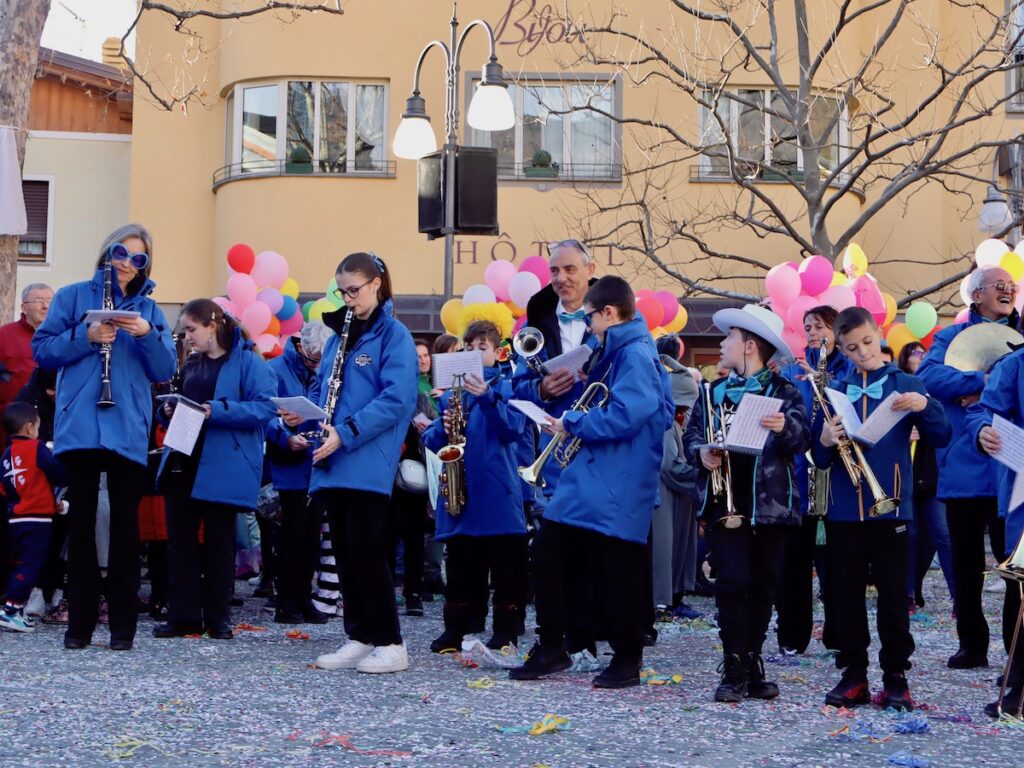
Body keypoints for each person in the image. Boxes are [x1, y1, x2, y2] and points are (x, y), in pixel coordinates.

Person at [510, 276, 673, 689]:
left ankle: (625, 659)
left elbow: (633, 412)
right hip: (598, 475)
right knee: (551, 555)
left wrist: (575, 421)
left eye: (591, 318)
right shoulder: (619, 353)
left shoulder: (634, 353)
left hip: (617, 477)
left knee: (616, 570)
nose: (588, 326)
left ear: (609, 313)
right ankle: (554, 646)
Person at [32, 224, 176, 651]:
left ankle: (122, 629)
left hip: (128, 430)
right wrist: (86, 336)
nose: (128, 264)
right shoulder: (73, 296)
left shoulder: (150, 310)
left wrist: (147, 336)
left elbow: (165, 369)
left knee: (126, 534)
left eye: (139, 258)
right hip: (80, 427)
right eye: (121, 253)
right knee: (80, 529)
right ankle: (78, 627)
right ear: (106, 253)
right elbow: (42, 351)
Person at [813, 306, 951, 711]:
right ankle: (853, 674)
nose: (862, 354)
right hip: (843, 513)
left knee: (894, 597)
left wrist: (925, 407)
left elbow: (942, 435)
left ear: (879, 334)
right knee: (845, 597)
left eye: (868, 343)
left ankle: (896, 677)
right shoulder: (834, 389)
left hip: (892, 510)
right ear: (842, 349)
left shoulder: (906, 381)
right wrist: (822, 438)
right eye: (852, 348)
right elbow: (819, 460)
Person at [293, 252, 417, 675]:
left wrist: (346, 431)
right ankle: (360, 635)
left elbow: (397, 398)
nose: (348, 298)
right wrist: (304, 412)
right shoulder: (339, 334)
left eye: (355, 290)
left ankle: (391, 642)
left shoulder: (393, 335)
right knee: (344, 551)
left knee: (366, 549)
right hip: (334, 457)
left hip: (365, 456)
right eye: (342, 290)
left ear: (376, 284)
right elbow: (325, 387)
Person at [682, 304, 810, 703]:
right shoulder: (712, 392)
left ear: (750, 346)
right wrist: (701, 451)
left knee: (763, 585)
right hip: (725, 503)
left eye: (729, 339)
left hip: (770, 506)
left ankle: (753, 661)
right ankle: (733, 662)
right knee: (732, 582)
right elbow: (691, 438)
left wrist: (784, 426)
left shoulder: (785, 392)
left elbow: (803, 441)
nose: (721, 344)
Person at [153, 299, 276, 639]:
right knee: (180, 542)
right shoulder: (191, 363)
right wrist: (169, 411)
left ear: (212, 324)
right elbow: (184, 400)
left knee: (220, 543)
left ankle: (218, 617)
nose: (187, 337)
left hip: (222, 461)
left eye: (192, 329)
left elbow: (265, 407)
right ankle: (183, 616)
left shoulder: (249, 361)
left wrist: (217, 410)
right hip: (183, 456)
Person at [917, 266, 1019, 669]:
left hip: (1011, 466)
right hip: (964, 465)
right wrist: (981, 380)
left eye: (1012, 287)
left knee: (1014, 564)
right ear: (976, 296)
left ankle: (1016, 649)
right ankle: (972, 645)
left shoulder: (1020, 337)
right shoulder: (949, 337)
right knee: (965, 564)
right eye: (1000, 286)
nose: (1008, 291)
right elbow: (928, 375)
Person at [423, 320, 528, 654]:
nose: (472, 353)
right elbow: (434, 442)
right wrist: (441, 428)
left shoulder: (508, 387)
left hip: (496, 491)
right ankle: (456, 629)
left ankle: (505, 632)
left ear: (496, 353)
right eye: (468, 347)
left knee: (505, 569)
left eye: (481, 348)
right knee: (460, 567)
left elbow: (514, 429)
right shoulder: (451, 393)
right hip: (460, 489)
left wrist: (487, 398)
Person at [777, 305, 855, 655]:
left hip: (837, 475)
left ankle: (839, 634)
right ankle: (793, 635)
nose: (811, 332)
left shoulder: (849, 368)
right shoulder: (795, 370)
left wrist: (826, 383)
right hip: (798, 475)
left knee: (836, 563)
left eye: (819, 325)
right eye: (807, 326)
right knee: (793, 562)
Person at [966, 344, 1024, 717]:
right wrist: (984, 430)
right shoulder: (1015, 365)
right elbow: (981, 410)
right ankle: (1019, 685)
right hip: (1023, 494)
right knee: (1022, 594)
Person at [267, 322, 331, 624]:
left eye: (321, 360)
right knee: (291, 535)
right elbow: (264, 413)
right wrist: (285, 434)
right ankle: (286, 601)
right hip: (289, 462)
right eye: (311, 359)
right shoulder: (275, 369)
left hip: (317, 462)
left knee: (311, 536)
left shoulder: (326, 370)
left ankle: (305, 597)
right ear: (298, 346)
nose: (316, 366)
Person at [898, 341, 955, 609]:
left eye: (925, 353)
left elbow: (944, 431)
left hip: (932, 476)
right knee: (909, 535)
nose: (921, 357)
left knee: (941, 534)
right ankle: (908, 593)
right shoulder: (898, 389)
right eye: (915, 353)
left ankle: (959, 597)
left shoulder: (936, 392)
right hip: (906, 477)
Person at [0, 402, 65, 633]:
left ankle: (14, 609)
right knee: (31, 565)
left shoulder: (6, 454)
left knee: (20, 562)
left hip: (15, 517)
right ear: (29, 428)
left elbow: (7, 487)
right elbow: (57, 472)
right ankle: (11, 607)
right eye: (37, 426)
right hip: (37, 518)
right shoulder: (37, 448)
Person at [656, 353, 701, 619]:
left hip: (679, 498)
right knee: (666, 552)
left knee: (678, 551)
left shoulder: (676, 423)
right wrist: (698, 474)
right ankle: (664, 601)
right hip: (667, 499)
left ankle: (674, 597)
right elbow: (669, 465)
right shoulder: (665, 427)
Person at [0, 283, 52, 448]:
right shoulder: (4, 335)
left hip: (51, 423)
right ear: (23, 307)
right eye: (38, 300)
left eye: (49, 301)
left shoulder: (63, 336)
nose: (45, 306)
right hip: (13, 425)